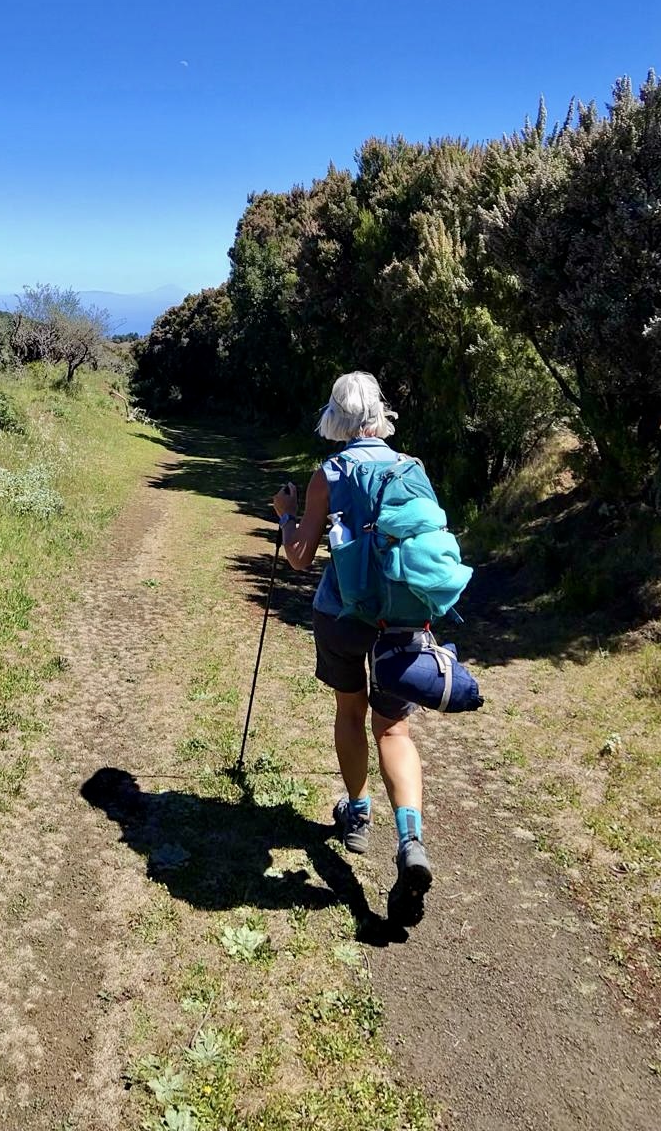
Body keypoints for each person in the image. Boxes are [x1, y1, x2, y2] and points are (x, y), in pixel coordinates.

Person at [271, 370, 433, 927]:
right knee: (394, 729)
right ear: (379, 414)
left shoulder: (329, 474)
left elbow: (298, 556)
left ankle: (358, 812)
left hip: (341, 613)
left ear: (337, 417)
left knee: (350, 709)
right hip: (402, 619)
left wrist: (286, 513)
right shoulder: (411, 468)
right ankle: (410, 838)